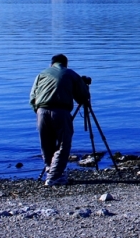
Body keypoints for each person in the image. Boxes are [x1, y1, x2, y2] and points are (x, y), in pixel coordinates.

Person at [29, 54, 90, 186]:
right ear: (65, 64)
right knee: (63, 144)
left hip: (41, 111)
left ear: (51, 64)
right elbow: (83, 97)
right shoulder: (71, 74)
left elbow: (32, 97)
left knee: (46, 143)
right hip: (61, 111)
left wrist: (38, 110)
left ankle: (50, 170)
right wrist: (84, 86)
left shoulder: (42, 74)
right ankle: (54, 177)